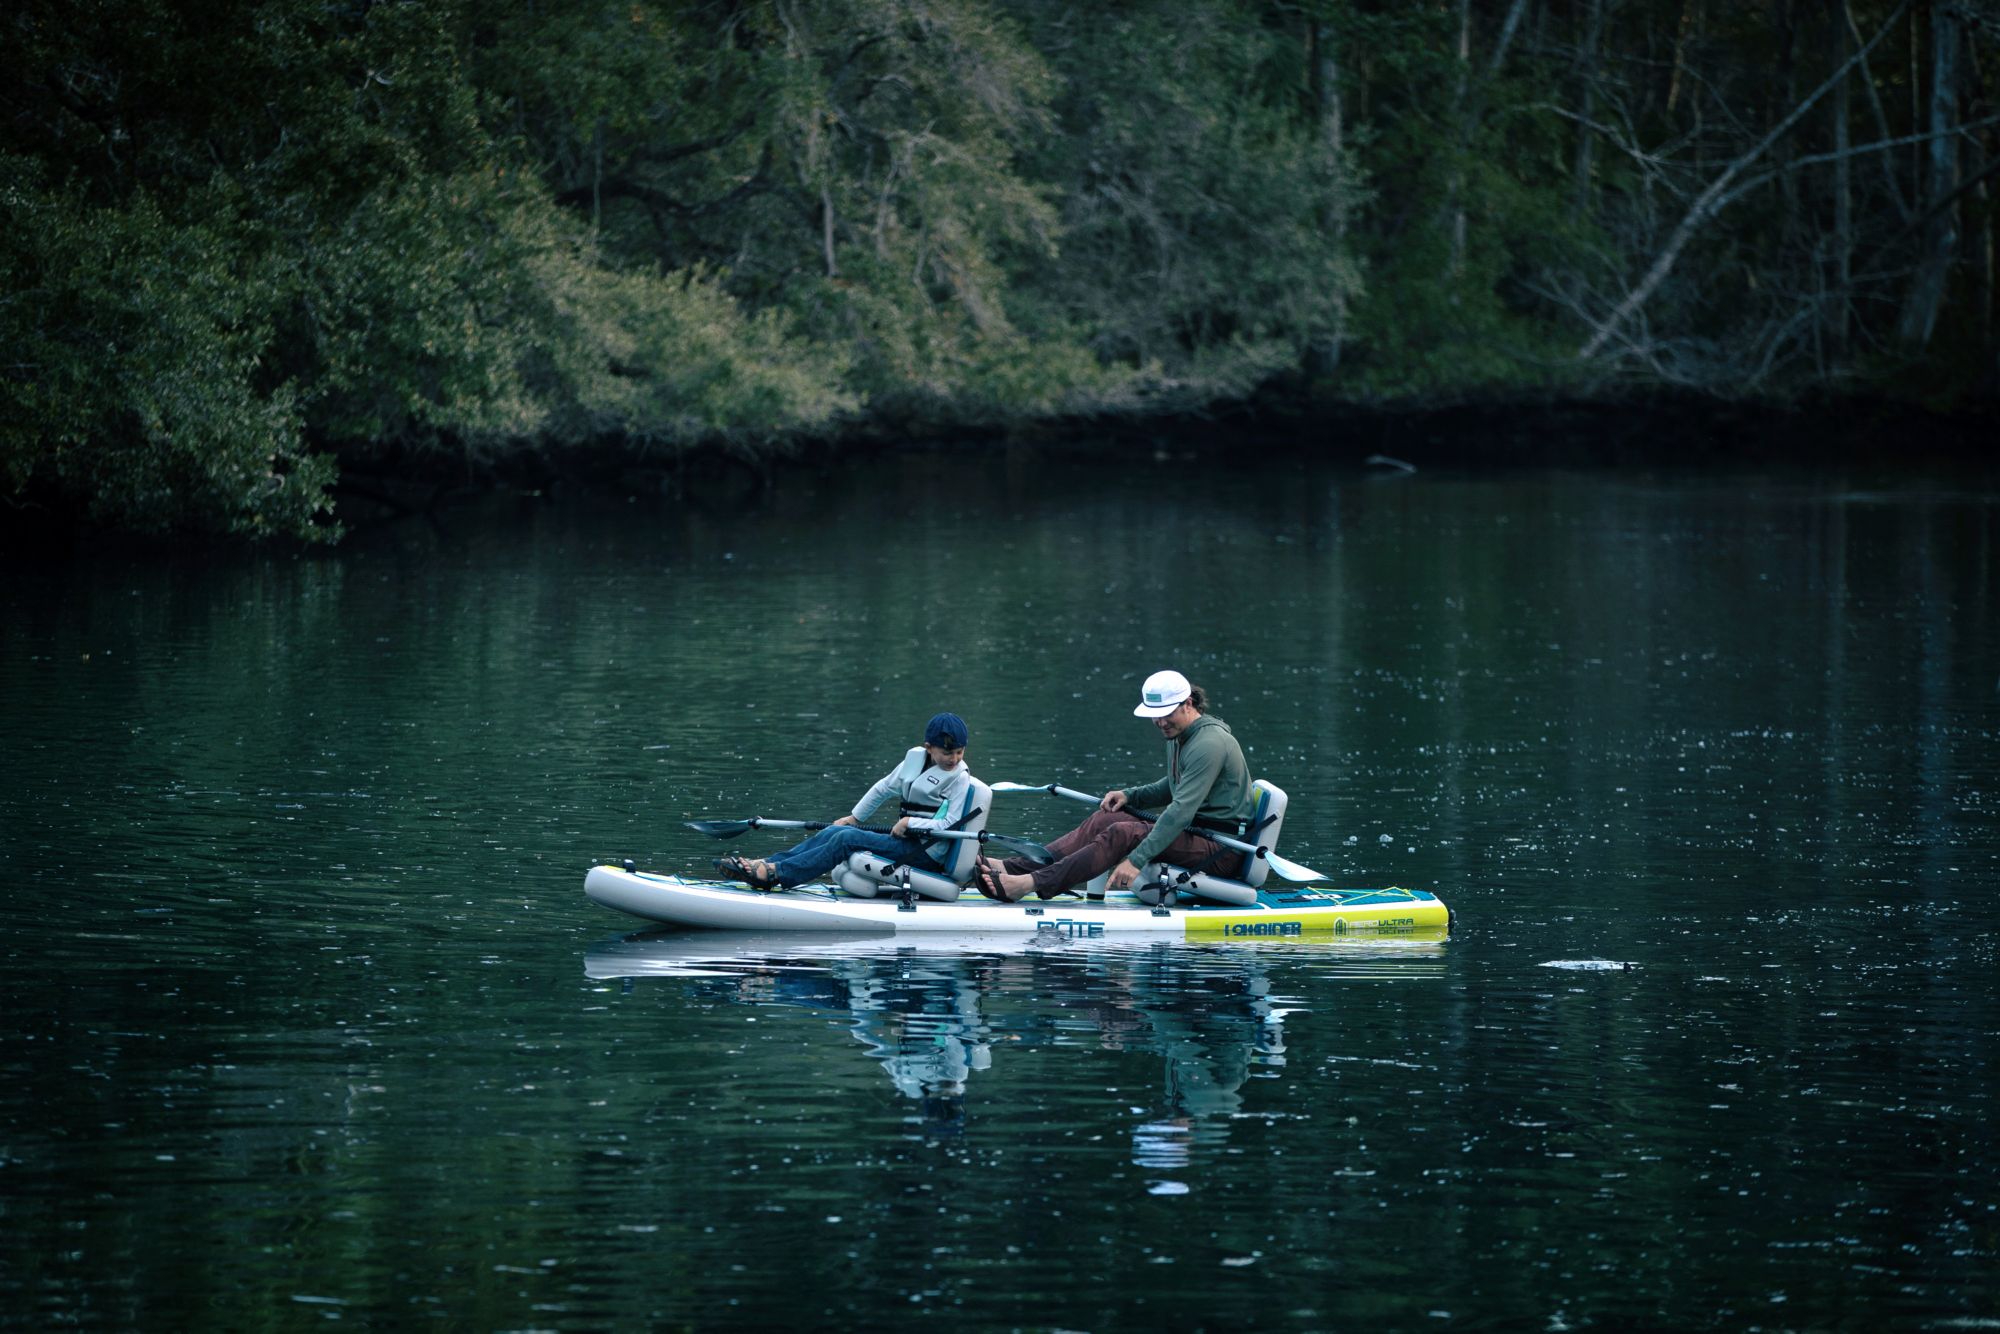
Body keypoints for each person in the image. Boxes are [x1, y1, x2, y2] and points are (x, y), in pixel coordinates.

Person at [975, 670, 1252, 902]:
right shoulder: (1181, 736)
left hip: (1221, 850)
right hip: (1196, 835)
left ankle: (1029, 884)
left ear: (1188, 703)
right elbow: (1172, 787)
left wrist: (1136, 861)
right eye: (1154, 714)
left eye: (1166, 713)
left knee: (1123, 833)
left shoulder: (1209, 744)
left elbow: (1180, 812)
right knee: (1109, 817)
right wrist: (1129, 796)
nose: (1159, 722)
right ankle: (1014, 867)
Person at [715, 712, 975, 890]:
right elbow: (882, 789)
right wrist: (854, 817)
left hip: (926, 854)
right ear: (929, 747)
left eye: (959, 752)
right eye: (947, 753)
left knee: (845, 839)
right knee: (839, 830)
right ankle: (769, 863)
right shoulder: (915, 762)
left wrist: (909, 821)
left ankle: (776, 875)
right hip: (907, 844)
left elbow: (950, 825)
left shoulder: (959, 778)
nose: (954, 759)